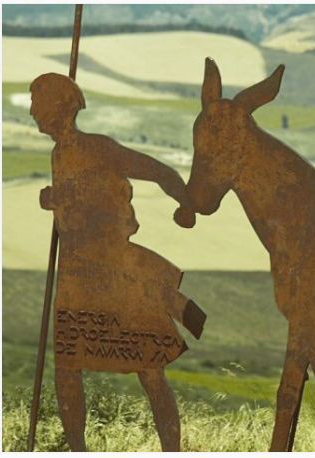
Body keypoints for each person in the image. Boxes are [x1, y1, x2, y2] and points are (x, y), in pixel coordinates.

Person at [30, 72, 205, 452]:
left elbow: (157, 171)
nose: (31, 112)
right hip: (76, 272)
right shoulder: (58, 153)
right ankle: (77, 447)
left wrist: (186, 202)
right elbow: (75, 205)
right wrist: (58, 199)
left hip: (110, 269)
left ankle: (171, 450)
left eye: (37, 103)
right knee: (67, 366)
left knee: (148, 366)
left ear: (61, 107)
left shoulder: (100, 148)